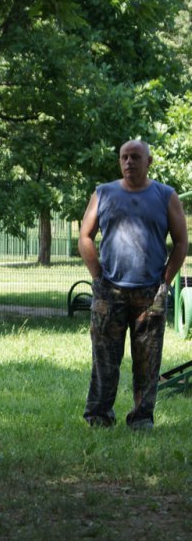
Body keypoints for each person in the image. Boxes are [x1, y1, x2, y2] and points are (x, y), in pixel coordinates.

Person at [78, 139, 188, 429]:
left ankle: (141, 418)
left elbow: (181, 242)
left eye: (135, 157)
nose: (129, 162)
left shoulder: (166, 195)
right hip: (109, 292)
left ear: (148, 162)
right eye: (124, 157)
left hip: (150, 294)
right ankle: (99, 417)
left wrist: (165, 281)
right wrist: (97, 277)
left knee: (147, 362)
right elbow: (85, 236)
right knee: (104, 361)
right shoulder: (103, 193)